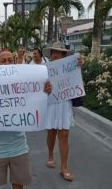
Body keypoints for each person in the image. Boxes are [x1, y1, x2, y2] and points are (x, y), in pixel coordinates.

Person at [0, 51, 52, 189]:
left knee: (18, 185)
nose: (7, 63)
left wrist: (46, 90)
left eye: (9, 60)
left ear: (14, 62)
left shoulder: (22, 83)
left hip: (19, 146)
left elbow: (37, 96)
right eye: (3, 60)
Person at [44, 42, 83, 182]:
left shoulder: (71, 67)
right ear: (51, 54)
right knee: (51, 131)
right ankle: (50, 155)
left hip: (65, 102)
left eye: (59, 52)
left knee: (64, 134)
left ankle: (64, 167)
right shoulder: (45, 69)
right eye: (54, 51)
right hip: (50, 103)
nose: (56, 54)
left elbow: (77, 80)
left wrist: (79, 66)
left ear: (64, 54)